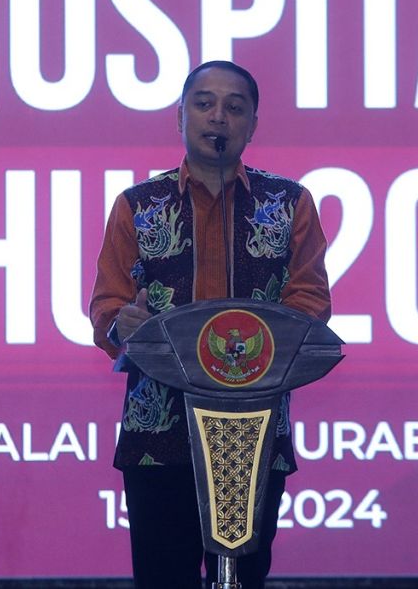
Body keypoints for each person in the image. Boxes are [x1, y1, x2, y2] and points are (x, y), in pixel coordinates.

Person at [89, 61, 332, 589]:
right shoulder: (137, 206)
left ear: (252, 125)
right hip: (159, 434)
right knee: (163, 578)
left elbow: (311, 303)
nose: (218, 116)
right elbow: (107, 308)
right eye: (204, 104)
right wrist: (124, 323)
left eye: (234, 107)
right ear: (180, 116)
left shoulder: (289, 204)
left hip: (253, 432)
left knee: (246, 577)